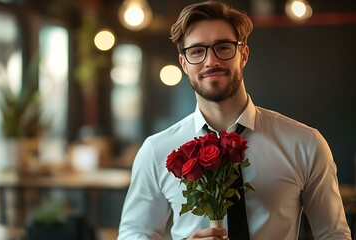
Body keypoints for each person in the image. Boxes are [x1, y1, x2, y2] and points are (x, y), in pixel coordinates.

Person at [117, 1, 351, 239]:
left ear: (244, 55)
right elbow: (134, 233)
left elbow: (334, 235)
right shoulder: (157, 150)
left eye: (223, 47)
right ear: (184, 64)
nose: (210, 61)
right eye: (197, 51)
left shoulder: (305, 143)